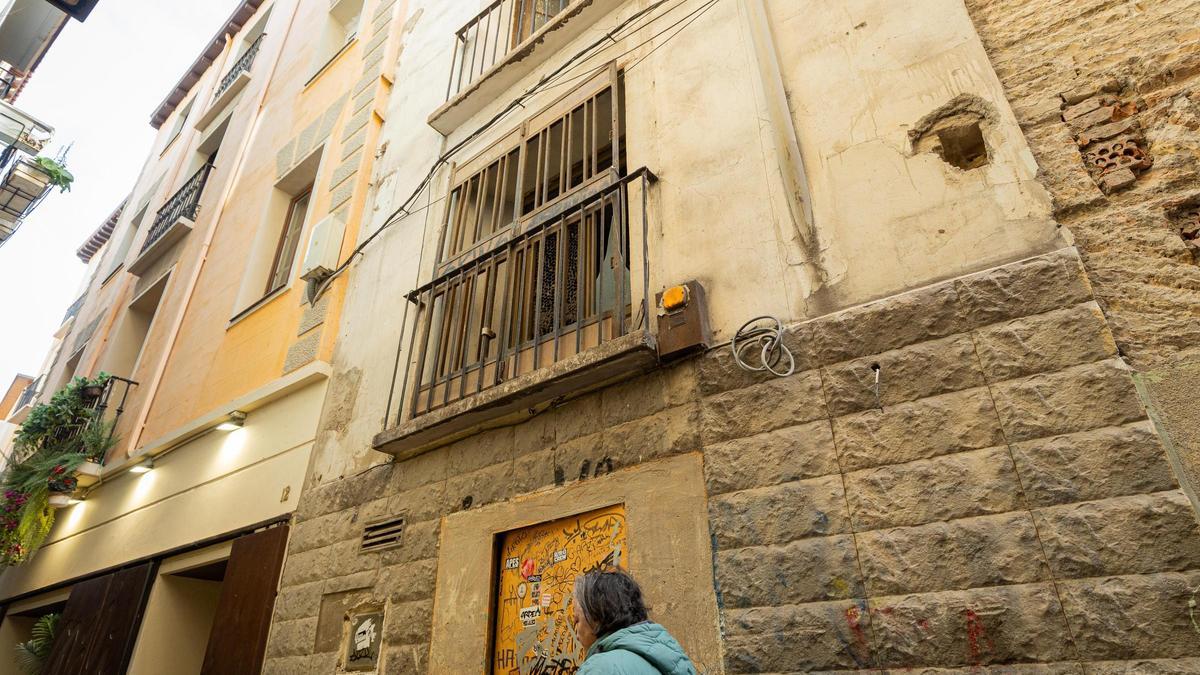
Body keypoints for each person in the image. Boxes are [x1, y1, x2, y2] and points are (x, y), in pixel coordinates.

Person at [569, 568, 697, 675]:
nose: (576, 631)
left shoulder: (599, 668)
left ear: (597, 615)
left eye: (577, 619)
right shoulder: (669, 655)